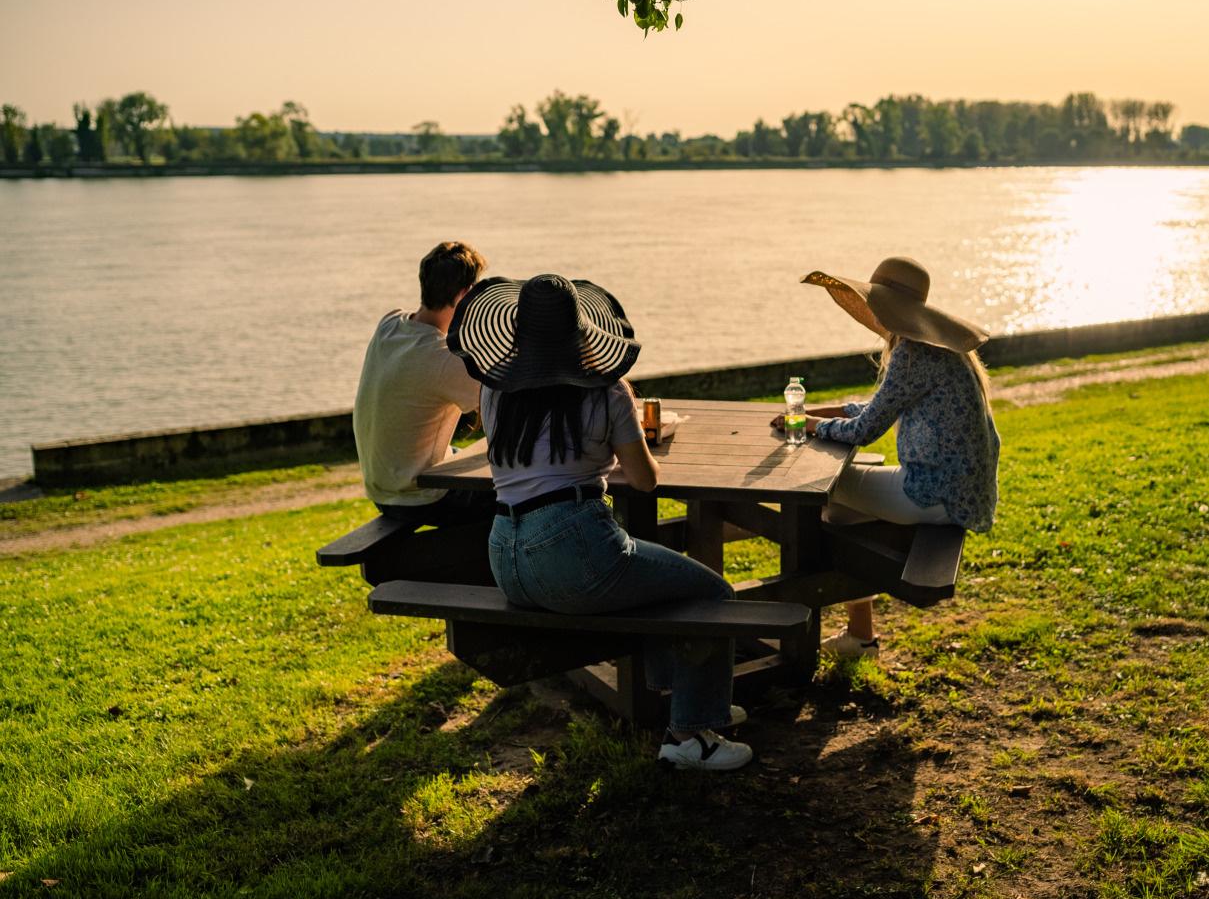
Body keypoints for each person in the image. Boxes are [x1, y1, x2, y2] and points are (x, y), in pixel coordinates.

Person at [447, 272, 753, 771]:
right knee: (712, 594)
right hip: (574, 552)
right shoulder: (607, 392)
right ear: (580, 332)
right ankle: (689, 735)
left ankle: (691, 700)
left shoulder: (495, 392)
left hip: (505, 555)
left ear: (517, 332)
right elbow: (645, 481)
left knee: (654, 582)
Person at [784, 256, 1001, 659]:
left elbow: (865, 430)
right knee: (841, 515)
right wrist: (823, 414)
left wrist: (808, 427)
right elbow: (879, 407)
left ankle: (797, 618)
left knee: (821, 486)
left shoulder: (913, 354)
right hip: (957, 493)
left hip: (933, 495)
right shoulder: (943, 351)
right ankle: (860, 638)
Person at [352, 241, 497, 527]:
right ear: (464, 295)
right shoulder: (444, 358)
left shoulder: (389, 325)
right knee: (522, 492)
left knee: (460, 457)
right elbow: (504, 398)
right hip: (419, 497)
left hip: (381, 488)